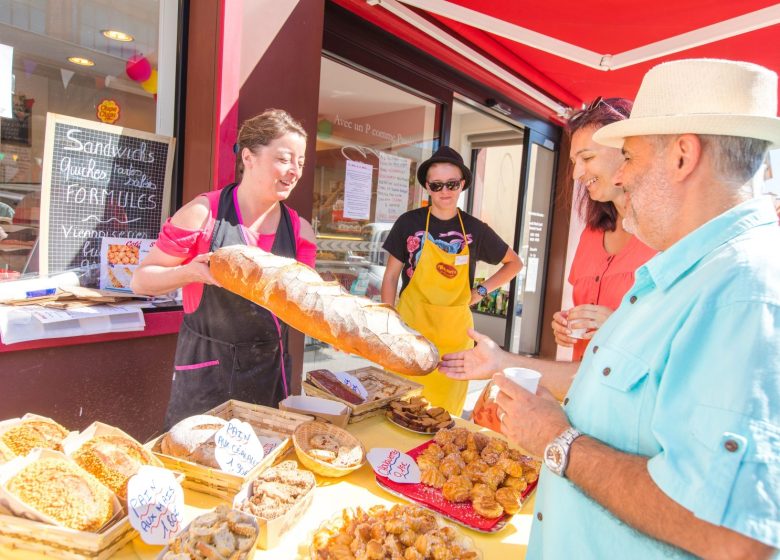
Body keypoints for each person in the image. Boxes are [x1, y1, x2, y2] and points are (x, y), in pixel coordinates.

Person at [441, 58, 780, 558]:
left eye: (631, 157)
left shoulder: (743, 290)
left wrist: (557, 440)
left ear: (683, 156)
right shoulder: (688, 274)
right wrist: (519, 377)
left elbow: (733, 535)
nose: (620, 176)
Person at [471, 97, 657, 430]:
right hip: (581, 393)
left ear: (629, 151)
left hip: (628, 412)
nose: (577, 173)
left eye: (587, 157)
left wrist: (615, 324)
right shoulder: (590, 233)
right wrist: (566, 322)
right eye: (574, 160)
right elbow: (589, 310)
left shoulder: (662, 238)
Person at [132, 109, 316, 428]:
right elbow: (141, 281)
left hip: (268, 370)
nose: (294, 171)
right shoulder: (203, 214)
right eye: (285, 158)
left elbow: (306, 306)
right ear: (249, 157)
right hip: (205, 367)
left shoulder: (300, 230)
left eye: (300, 162)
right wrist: (191, 272)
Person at [380, 146, 522, 415]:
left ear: (463, 184)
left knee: (443, 416)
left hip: (455, 340)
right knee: (400, 406)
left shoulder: (475, 229)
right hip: (411, 331)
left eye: (452, 184)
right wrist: (388, 322)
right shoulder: (408, 223)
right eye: (437, 185)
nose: (445, 191)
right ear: (427, 187)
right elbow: (390, 277)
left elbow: (515, 263)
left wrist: (480, 290)